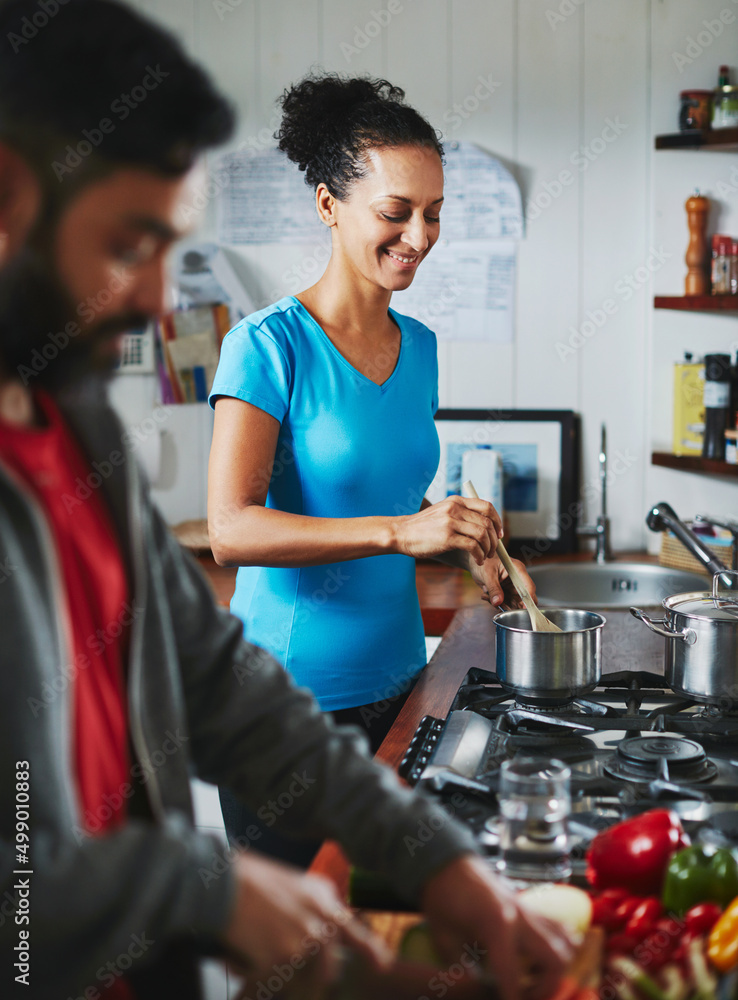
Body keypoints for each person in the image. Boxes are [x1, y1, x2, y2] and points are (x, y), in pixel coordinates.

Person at [0, 2, 571, 998]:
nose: (154, 301)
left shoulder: (76, 427)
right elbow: (22, 879)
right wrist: (211, 889)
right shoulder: (268, 344)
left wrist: (441, 863)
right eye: (132, 242)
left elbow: (214, 676)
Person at [207, 74, 536, 853]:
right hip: (284, 706)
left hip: (399, 689)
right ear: (328, 204)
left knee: (380, 935)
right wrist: (401, 532)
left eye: (434, 213)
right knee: (293, 962)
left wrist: (462, 532)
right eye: (395, 213)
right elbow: (231, 529)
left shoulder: (418, 346)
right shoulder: (267, 345)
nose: (418, 237)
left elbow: (387, 486)